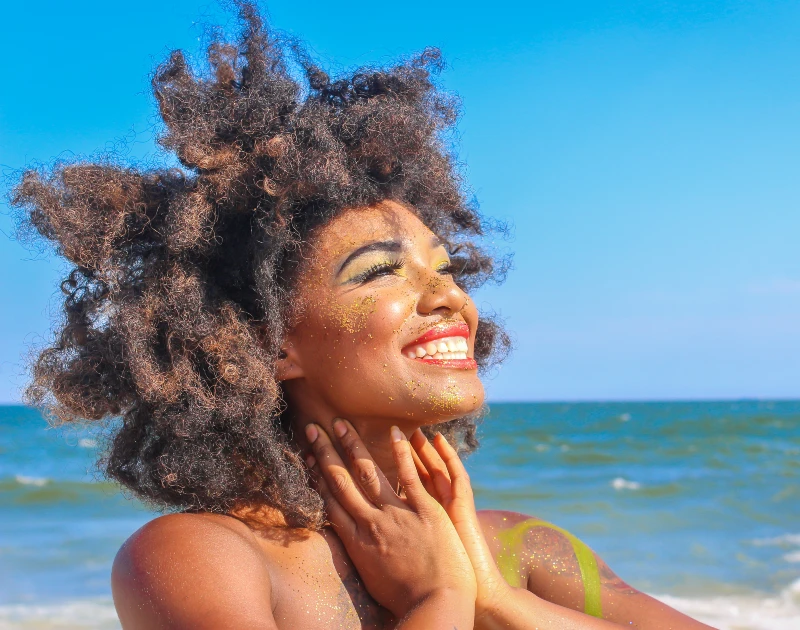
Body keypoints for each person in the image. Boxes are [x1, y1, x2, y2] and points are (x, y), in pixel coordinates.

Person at [11, 3, 715, 628]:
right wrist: (434, 604)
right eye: (381, 272)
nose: (450, 299)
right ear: (264, 341)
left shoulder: (521, 550)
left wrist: (498, 602)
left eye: (445, 268)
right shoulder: (201, 556)